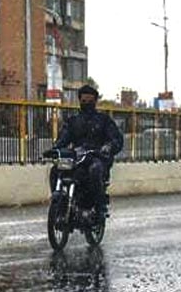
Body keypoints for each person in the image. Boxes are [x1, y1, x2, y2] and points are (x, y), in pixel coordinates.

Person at [43, 85, 124, 217]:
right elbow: (63, 138)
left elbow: (116, 139)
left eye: (90, 101)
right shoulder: (73, 121)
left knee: (95, 170)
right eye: (84, 101)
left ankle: (99, 207)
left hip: (97, 158)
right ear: (79, 101)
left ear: (95, 101)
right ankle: (59, 204)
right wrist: (54, 150)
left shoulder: (104, 120)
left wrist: (108, 147)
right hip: (77, 158)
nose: (86, 104)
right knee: (55, 170)